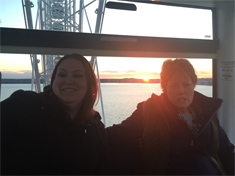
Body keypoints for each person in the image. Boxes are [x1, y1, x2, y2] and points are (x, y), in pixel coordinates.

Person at [106, 58, 234, 175]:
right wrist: (89, 126)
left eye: (186, 84)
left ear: (193, 85)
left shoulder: (207, 115)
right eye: (174, 85)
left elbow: (227, 153)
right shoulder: (150, 112)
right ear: (165, 88)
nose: (181, 90)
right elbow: (115, 135)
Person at [1, 53, 107, 175]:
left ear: (90, 84)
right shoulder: (24, 104)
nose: (68, 81)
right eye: (62, 74)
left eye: (77, 75)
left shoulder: (96, 128)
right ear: (54, 80)